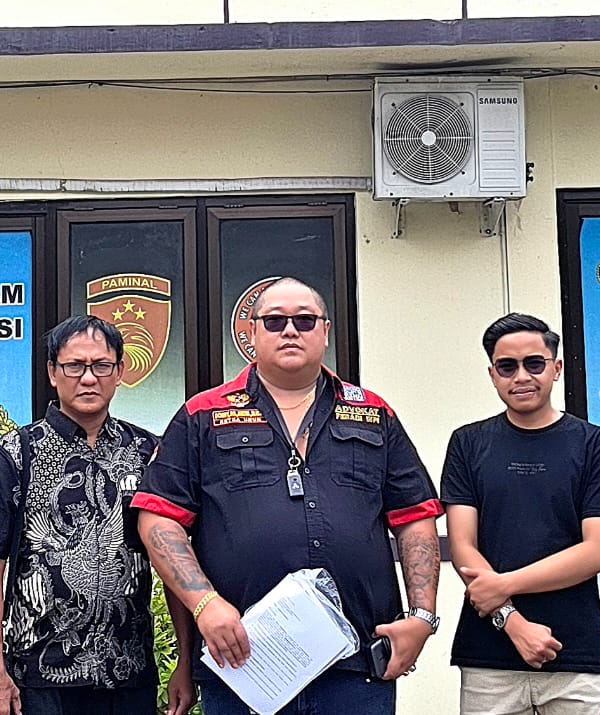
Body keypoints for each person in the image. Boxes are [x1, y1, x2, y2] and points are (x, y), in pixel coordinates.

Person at [134, 276, 442, 715]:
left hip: (357, 665)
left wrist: (422, 617)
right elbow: (159, 518)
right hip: (244, 662)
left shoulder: (373, 413)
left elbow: (415, 517)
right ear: (252, 332)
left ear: (325, 331)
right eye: (275, 321)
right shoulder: (203, 414)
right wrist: (205, 605)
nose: (291, 330)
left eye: (305, 320)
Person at [0, 315, 194, 715]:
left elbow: (171, 556)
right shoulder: (18, 453)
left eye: (101, 366)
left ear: (119, 371)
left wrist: (185, 660)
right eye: (74, 366)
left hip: (127, 670)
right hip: (39, 674)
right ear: (53, 372)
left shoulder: (147, 452)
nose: (88, 378)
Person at [442, 313, 600, 715]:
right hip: (489, 659)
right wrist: (513, 622)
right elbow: (463, 547)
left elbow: (598, 552)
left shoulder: (595, 445)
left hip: (577, 656)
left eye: (534, 363)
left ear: (556, 368)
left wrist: (503, 585)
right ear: (492, 375)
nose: (521, 377)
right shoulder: (467, 444)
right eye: (507, 367)